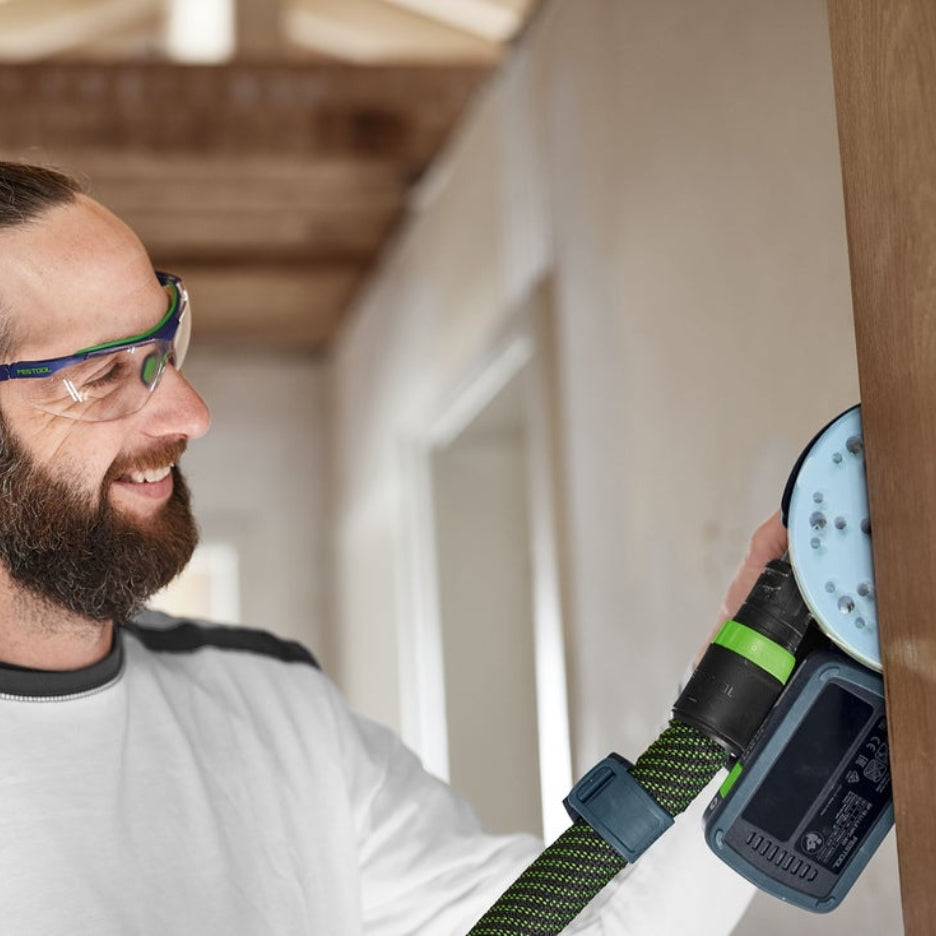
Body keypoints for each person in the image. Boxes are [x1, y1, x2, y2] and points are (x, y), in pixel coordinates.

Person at [0, 161, 777, 934]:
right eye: (100, 375)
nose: (191, 413)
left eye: (165, 342)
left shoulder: (273, 703)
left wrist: (757, 684)